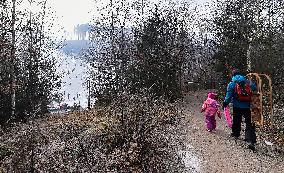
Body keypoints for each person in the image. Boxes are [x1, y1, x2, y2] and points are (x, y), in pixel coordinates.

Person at [223, 69, 257, 150]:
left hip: (237, 106)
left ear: (233, 75)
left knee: (237, 120)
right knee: (249, 122)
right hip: (247, 106)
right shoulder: (248, 82)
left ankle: (236, 134)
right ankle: (250, 140)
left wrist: (225, 103)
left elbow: (228, 96)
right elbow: (255, 88)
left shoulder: (232, 84)